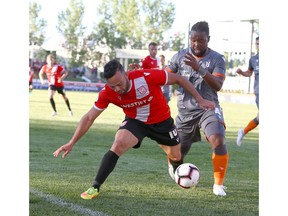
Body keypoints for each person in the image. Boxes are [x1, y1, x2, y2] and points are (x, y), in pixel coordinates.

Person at [53, 59, 215, 200]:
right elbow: (89, 117)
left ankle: (176, 170)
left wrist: (199, 99)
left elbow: (179, 79)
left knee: (176, 156)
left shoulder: (147, 77)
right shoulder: (107, 92)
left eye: (119, 84)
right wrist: (72, 142)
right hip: (135, 122)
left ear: (126, 75)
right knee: (118, 144)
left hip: (162, 122)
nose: (116, 89)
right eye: (112, 86)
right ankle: (95, 186)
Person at [166, 21, 229, 196]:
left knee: (218, 139)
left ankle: (218, 185)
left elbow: (217, 85)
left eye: (200, 40)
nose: (196, 44)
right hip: (185, 112)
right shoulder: (179, 56)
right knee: (176, 155)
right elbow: (164, 75)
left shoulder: (217, 59)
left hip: (208, 108)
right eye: (193, 40)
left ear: (208, 39)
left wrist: (199, 68)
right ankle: (175, 167)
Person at [236, 36, 259, 146]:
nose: (258, 45)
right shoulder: (253, 59)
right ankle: (243, 131)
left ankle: (243, 131)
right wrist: (241, 72)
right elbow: (249, 72)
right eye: (257, 43)